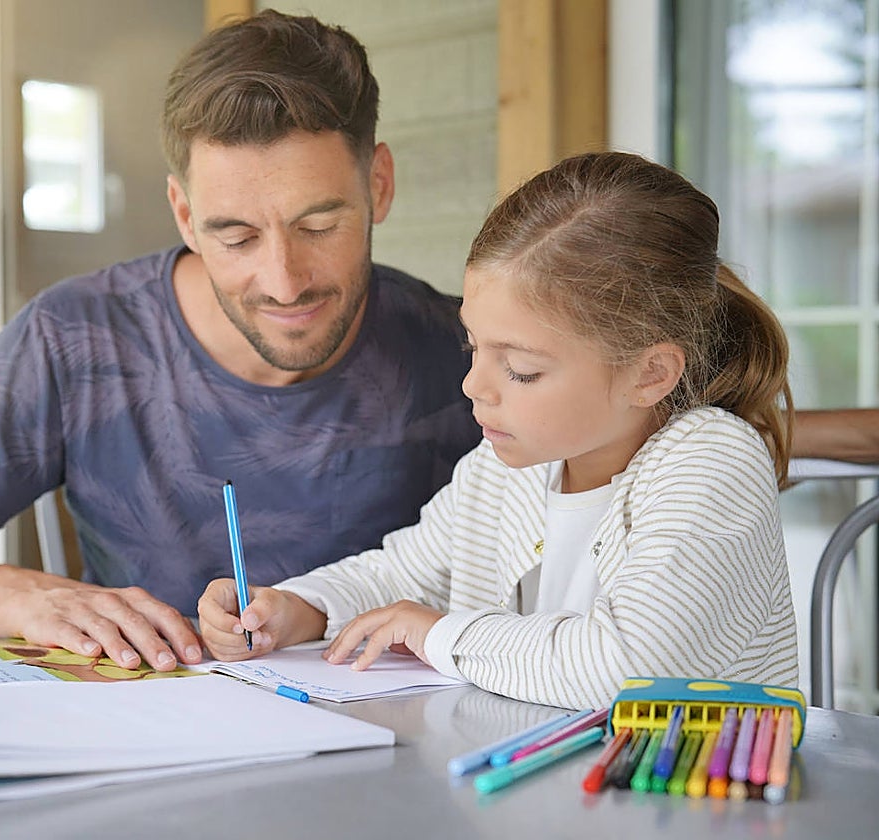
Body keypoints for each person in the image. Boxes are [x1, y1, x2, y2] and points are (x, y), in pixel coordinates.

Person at [0, 11, 481, 673]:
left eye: (318, 225)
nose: (283, 282)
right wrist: (31, 598)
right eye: (237, 236)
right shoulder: (75, 339)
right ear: (185, 215)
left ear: (379, 185)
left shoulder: (473, 354)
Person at [199, 152, 800, 710]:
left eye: (521, 369)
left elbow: (630, 668)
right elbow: (399, 573)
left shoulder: (713, 463)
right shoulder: (503, 468)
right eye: (472, 344)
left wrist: (439, 633)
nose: (474, 386)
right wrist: (294, 607)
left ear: (651, 374)